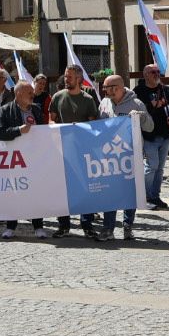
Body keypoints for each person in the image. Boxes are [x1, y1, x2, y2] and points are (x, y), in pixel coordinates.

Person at [49, 65, 100, 237]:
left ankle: (87, 224)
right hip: (62, 151)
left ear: (78, 78)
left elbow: (93, 125)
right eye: (65, 76)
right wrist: (57, 127)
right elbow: (51, 120)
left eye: (69, 77)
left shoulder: (88, 99)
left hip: (82, 151)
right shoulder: (57, 97)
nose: (66, 79)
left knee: (85, 188)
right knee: (62, 189)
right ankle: (63, 225)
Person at [0, 81, 49, 239]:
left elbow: (44, 131)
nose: (33, 95)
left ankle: (38, 226)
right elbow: (0, 133)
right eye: (29, 92)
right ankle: (11, 227)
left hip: (35, 158)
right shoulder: (6, 110)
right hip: (15, 160)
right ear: (18, 94)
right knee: (14, 193)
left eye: (32, 92)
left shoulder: (36, 109)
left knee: (36, 192)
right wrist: (19, 130)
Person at [97, 75, 147, 241]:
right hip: (109, 157)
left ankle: (128, 226)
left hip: (130, 156)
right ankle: (108, 229)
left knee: (129, 192)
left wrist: (141, 117)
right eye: (104, 88)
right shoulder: (104, 103)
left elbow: (150, 126)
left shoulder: (136, 103)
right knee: (109, 192)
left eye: (107, 88)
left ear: (117, 88)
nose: (105, 91)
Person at [133, 64, 169, 209]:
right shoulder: (138, 91)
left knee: (160, 168)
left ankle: (155, 196)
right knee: (152, 166)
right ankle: (145, 196)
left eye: (158, 71)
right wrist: (152, 105)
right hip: (149, 135)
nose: (157, 74)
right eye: (153, 72)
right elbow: (137, 112)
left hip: (165, 134)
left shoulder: (165, 90)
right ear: (145, 74)